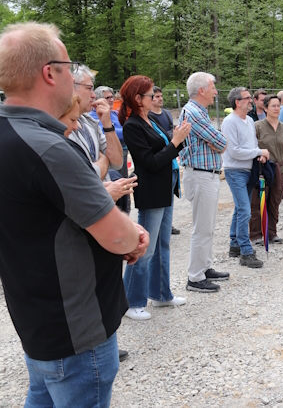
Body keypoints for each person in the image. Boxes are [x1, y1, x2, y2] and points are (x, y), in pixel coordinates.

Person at [0, 21, 148, 407]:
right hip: (76, 329)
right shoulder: (48, 148)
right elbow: (118, 235)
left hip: (36, 319)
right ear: (50, 73)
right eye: (69, 66)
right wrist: (136, 239)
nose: (75, 74)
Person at [121, 75, 192, 320]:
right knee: (145, 249)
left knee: (162, 245)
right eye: (151, 95)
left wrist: (179, 139)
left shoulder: (150, 120)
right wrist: (175, 142)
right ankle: (132, 301)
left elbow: (166, 149)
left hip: (164, 187)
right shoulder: (132, 126)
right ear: (138, 98)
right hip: (151, 191)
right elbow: (149, 162)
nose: (155, 98)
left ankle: (161, 294)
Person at [179, 72, 229, 293]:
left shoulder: (199, 112)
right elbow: (221, 141)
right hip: (200, 174)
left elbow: (217, 142)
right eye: (213, 88)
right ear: (201, 90)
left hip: (206, 174)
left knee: (208, 225)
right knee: (202, 227)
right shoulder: (193, 113)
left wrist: (216, 142)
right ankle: (195, 277)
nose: (216, 92)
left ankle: (204, 267)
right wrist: (216, 142)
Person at [222, 87, 269, 268]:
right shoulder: (229, 122)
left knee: (240, 208)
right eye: (247, 98)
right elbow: (233, 151)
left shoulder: (249, 120)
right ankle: (245, 251)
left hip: (249, 170)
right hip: (235, 171)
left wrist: (260, 155)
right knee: (245, 210)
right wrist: (259, 151)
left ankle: (235, 244)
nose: (251, 100)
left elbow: (252, 145)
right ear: (237, 102)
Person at [250, 95, 283, 245]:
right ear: (265, 108)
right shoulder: (257, 126)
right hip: (263, 168)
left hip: (279, 168)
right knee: (258, 201)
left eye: (278, 106)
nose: (276, 109)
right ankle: (255, 235)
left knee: (275, 201)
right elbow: (252, 146)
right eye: (273, 106)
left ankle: (271, 233)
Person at [70, 66, 124, 180]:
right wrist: (104, 159)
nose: (94, 95)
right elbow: (84, 178)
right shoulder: (62, 127)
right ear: (72, 87)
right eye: (89, 88)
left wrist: (108, 125)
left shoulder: (90, 122)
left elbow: (117, 162)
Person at [91, 85, 132, 214]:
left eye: (111, 97)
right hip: (111, 154)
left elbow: (121, 128)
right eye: (107, 98)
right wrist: (129, 130)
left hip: (121, 151)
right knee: (116, 181)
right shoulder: (93, 116)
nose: (111, 100)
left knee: (123, 183)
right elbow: (116, 131)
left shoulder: (113, 113)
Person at [149, 86, 182, 235]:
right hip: (161, 157)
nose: (160, 98)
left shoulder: (167, 114)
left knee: (169, 197)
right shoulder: (149, 117)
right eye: (156, 96)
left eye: (161, 96)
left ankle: (167, 224)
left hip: (171, 159)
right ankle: (160, 227)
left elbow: (171, 132)